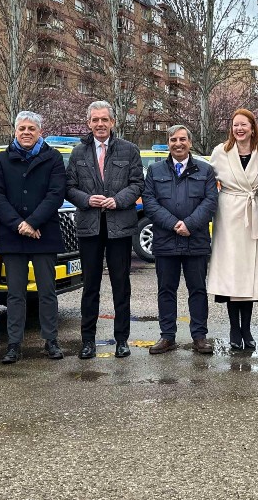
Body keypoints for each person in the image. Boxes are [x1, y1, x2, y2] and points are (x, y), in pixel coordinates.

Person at [0, 111, 68, 364]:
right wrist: (19, 224)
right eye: (22, 128)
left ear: (40, 132)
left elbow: (56, 194)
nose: (26, 132)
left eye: (31, 128)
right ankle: (14, 344)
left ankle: (51, 340)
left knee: (47, 291)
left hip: (44, 233)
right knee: (15, 293)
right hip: (13, 235)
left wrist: (32, 222)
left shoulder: (53, 158)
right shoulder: (1, 160)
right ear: (15, 131)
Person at [66, 100, 144, 360]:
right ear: (88, 123)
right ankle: (88, 341)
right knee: (90, 286)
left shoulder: (129, 150)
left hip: (119, 228)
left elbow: (137, 183)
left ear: (113, 122)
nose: (100, 124)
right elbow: (69, 187)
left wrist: (118, 200)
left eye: (104, 119)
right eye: (95, 120)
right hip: (89, 228)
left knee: (121, 285)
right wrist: (87, 199)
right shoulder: (78, 152)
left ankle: (122, 340)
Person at [143, 125, 219, 355]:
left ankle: (199, 337)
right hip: (165, 241)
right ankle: (167, 336)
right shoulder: (155, 170)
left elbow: (210, 201)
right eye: (173, 140)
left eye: (182, 139)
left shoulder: (205, 170)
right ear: (168, 143)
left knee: (197, 290)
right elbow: (149, 202)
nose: (178, 144)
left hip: (195, 241)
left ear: (190, 142)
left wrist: (189, 225)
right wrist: (174, 224)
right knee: (166, 290)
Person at [207, 109, 258, 351]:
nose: (239, 129)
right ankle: (234, 328)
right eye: (235, 125)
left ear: (253, 127)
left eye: (244, 124)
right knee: (232, 274)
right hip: (229, 217)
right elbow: (206, 181)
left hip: (256, 213)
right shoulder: (220, 152)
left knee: (250, 276)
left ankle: (247, 328)